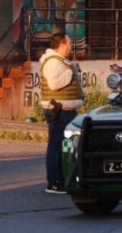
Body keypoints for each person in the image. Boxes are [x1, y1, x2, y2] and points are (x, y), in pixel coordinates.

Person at [39, 32, 84, 194]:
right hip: (59, 112)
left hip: (66, 111)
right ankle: (54, 182)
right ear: (62, 45)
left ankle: (64, 179)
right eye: (70, 43)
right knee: (57, 147)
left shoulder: (60, 62)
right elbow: (54, 84)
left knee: (68, 146)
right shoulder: (53, 62)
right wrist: (70, 72)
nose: (71, 46)